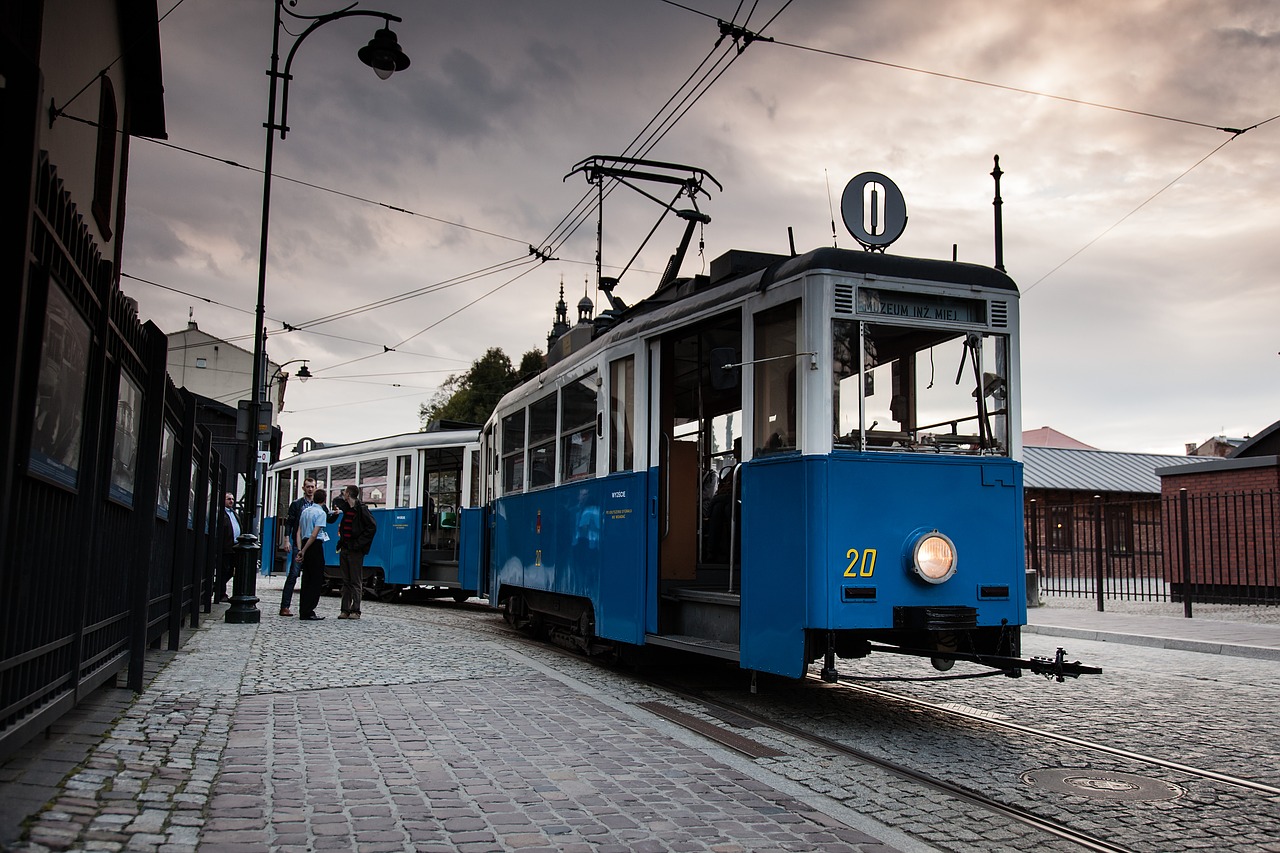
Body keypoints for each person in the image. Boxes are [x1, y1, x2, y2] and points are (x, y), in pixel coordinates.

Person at [332, 484, 377, 620]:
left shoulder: (361, 509)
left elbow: (372, 527)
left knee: (355, 580)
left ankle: (355, 610)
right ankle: (345, 609)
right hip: (345, 547)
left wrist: (359, 544)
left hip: (355, 549)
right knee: (346, 580)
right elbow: (336, 501)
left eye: (345, 492)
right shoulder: (347, 508)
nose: (343, 494)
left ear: (348, 494)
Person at [279, 477, 315, 617]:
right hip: (298, 543)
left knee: (309, 577)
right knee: (293, 574)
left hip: (311, 544)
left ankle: (305, 607)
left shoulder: (317, 505)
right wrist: (287, 540)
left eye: (312, 487)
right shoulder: (297, 504)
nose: (310, 489)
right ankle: (285, 606)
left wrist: (335, 515)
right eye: (308, 486)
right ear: (303, 488)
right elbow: (289, 522)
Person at [295, 487, 330, 621]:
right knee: (316, 579)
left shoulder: (305, 511)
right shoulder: (321, 513)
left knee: (306, 578)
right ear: (324, 500)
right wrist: (304, 550)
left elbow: (299, 531)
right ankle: (309, 609)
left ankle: (303, 608)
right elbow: (315, 534)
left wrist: (300, 549)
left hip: (304, 542)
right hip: (314, 546)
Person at [216, 492, 240, 602]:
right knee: (224, 569)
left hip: (235, 547)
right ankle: (221, 593)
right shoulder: (220, 513)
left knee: (231, 570)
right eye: (228, 499)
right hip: (226, 546)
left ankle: (218, 587)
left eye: (232, 499)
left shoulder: (234, 513)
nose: (231, 501)